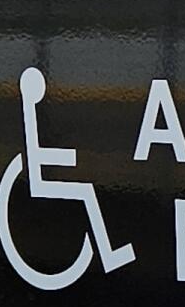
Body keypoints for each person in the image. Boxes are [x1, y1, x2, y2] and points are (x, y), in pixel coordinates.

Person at [18, 67, 135, 273]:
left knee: (86, 194)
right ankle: (108, 253)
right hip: (42, 179)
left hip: (43, 174)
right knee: (86, 194)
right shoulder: (32, 110)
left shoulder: (33, 110)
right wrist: (65, 155)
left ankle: (108, 253)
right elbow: (38, 150)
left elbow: (42, 144)